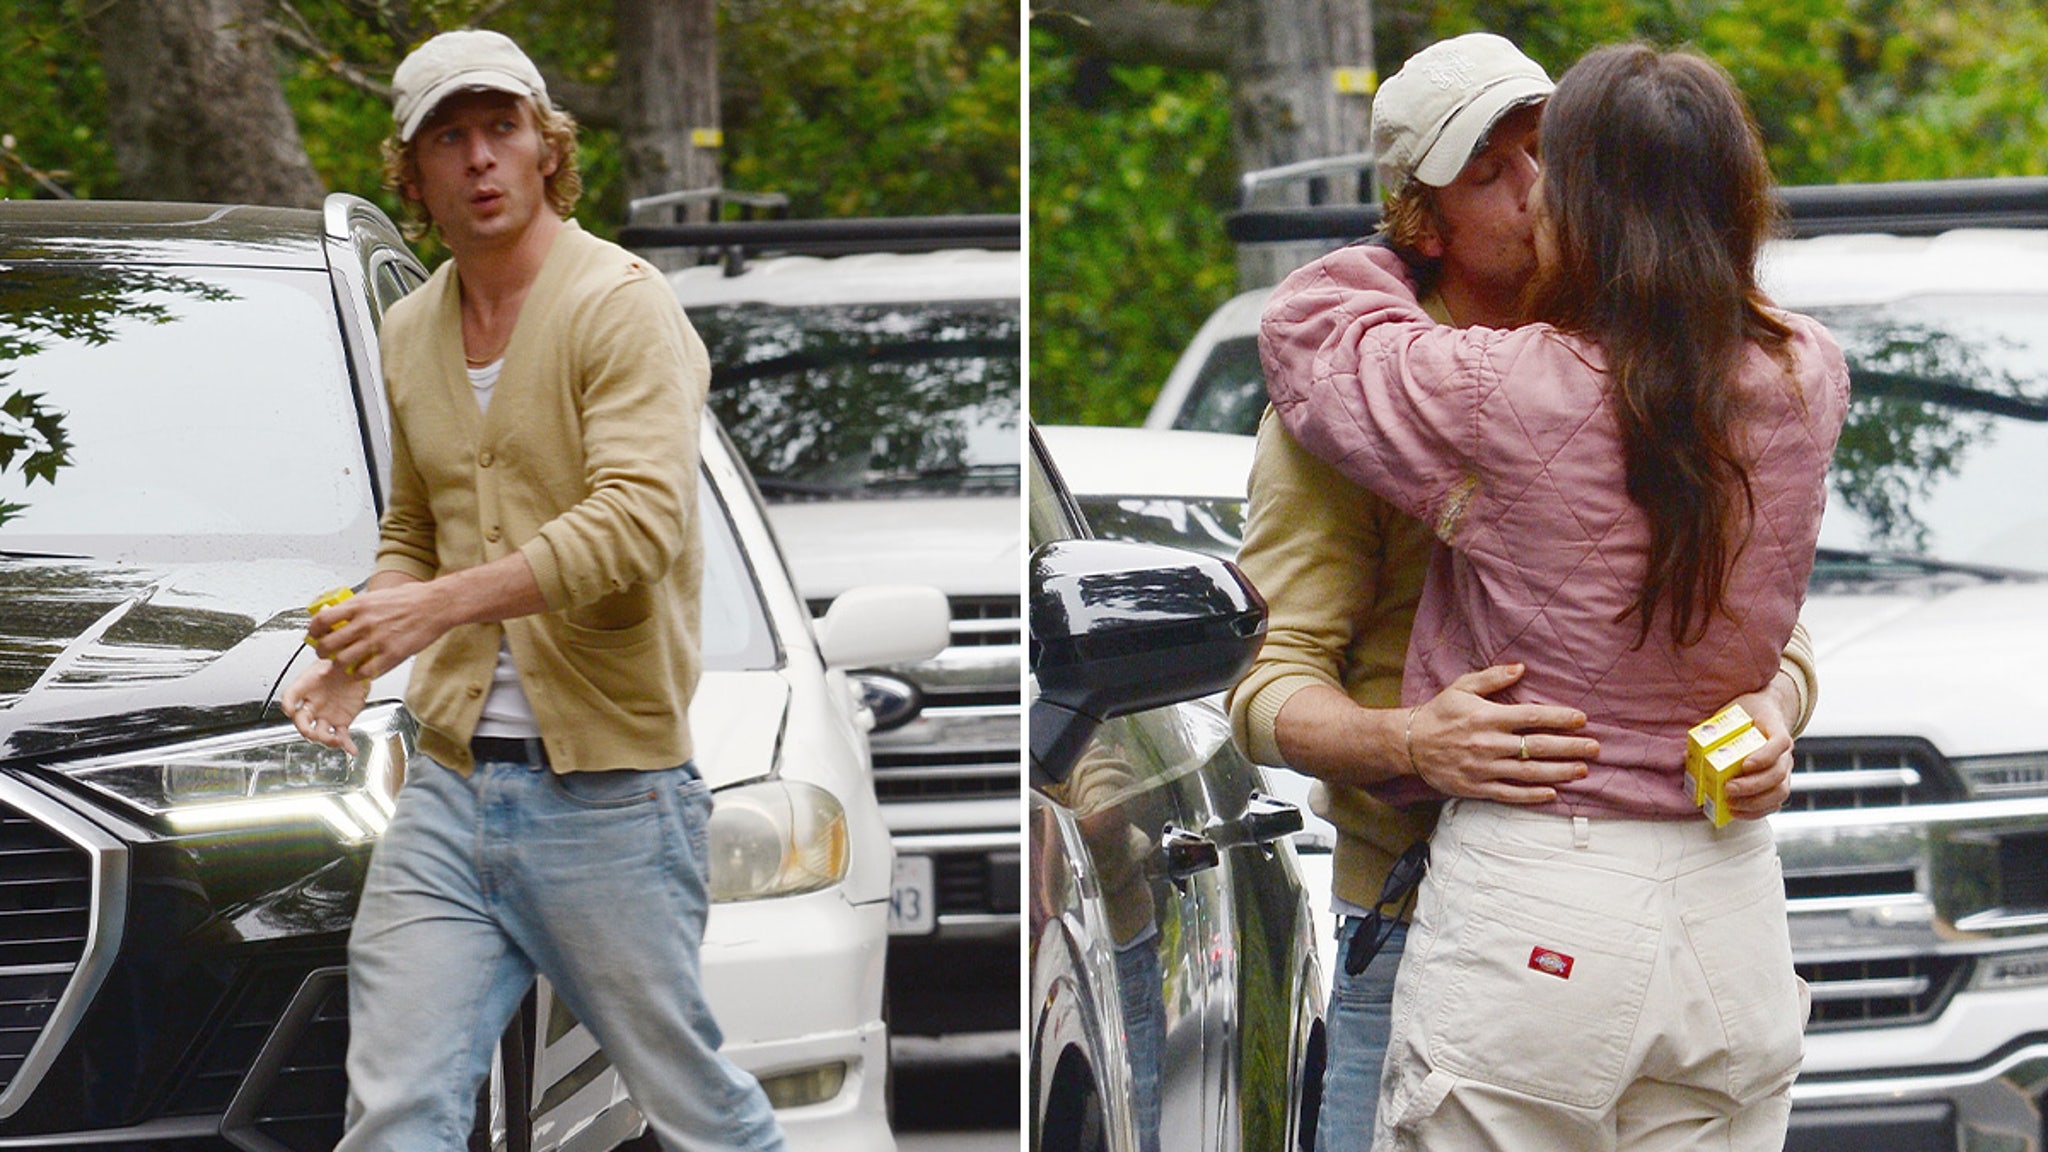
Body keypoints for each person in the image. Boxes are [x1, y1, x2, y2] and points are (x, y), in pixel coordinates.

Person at [1227, 32, 1818, 1149]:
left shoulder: (1667, 369)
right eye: (1489, 172)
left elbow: (1760, 632)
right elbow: (1263, 679)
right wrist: (1411, 741)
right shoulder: (1332, 425)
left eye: (1551, 154)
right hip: (1415, 911)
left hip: (1569, 905)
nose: (1534, 192)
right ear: (1421, 219)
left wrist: (1772, 711)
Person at [280, 29, 785, 1151]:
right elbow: (415, 525)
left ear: (547, 148)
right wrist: (357, 650)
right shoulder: (410, 329)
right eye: (447, 139)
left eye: (501, 129)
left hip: (609, 798)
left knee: (693, 1110)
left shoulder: (621, 303)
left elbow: (638, 524)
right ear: (409, 176)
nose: (479, 160)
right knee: (397, 1109)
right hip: (449, 790)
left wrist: (437, 607)